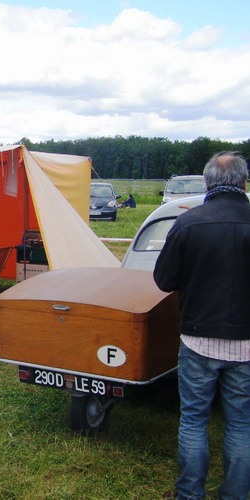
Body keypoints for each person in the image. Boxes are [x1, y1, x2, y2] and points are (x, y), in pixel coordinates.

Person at [153, 152, 250, 499]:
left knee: (194, 419)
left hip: (197, 340)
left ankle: (190, 493)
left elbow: (164, 280)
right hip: (247, 344)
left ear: (208, 183)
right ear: (242, 182)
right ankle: (236, 494)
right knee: (241, 423)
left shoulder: (189, 223)